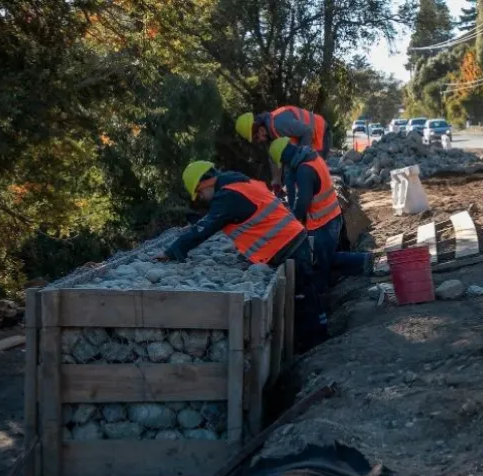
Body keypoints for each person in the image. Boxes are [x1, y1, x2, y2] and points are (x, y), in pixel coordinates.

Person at [157, 161, 325, 350]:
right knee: (307, 293)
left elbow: (204, 229)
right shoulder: (239, 183)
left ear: (204, 184)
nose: (202, 199)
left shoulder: (227, 196)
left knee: (302, 298)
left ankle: (315, 346)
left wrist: (172, 251)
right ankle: (319, 335)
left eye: (200, 194)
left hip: (287, 245)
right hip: (291, 239)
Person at [267, 138, 371, 299]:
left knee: (323, 261)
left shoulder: (304, 170)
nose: (284, 166)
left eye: (282, 162)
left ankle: (362, 262)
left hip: (323, 223)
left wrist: (291, 226)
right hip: (331, 217)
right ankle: (357, 266)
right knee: (324, 259)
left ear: (285, 156)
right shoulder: (310, 158)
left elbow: (302, 203)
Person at [235, 106, 331, 159]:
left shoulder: (278, 124)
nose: (259, 141)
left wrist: (301, 158)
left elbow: (307, 131)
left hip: (321, 134)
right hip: (314, 139)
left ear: (260, 130)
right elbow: (278, 160)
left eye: (256, 138)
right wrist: (277, 181)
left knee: (313, 172)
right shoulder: (273, 134)